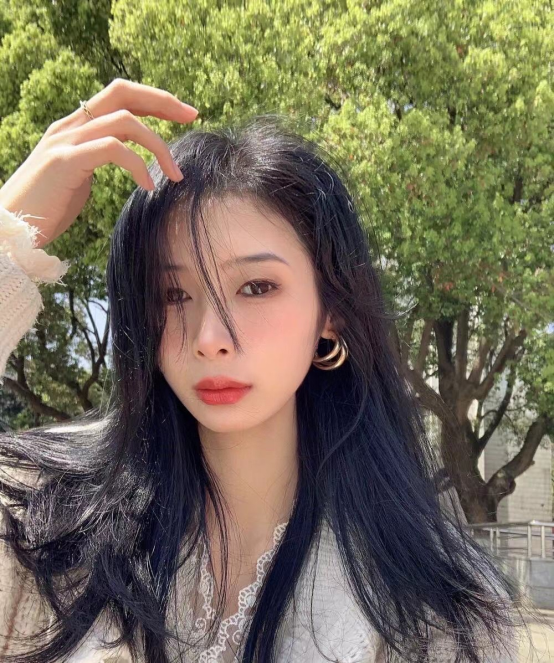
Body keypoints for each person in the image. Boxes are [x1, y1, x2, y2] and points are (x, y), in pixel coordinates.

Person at [0, 79, 526, 662]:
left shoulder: (435, 611)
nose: (209, 339)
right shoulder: (43, 530)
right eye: (173, 295)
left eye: (256, 287)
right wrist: (8, 236)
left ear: (331, 312)